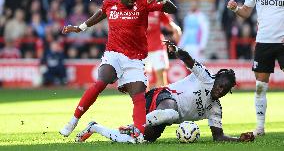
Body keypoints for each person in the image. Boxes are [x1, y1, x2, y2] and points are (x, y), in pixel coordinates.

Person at [59, 0, 177, 141]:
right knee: (101, 81)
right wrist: (80, 28)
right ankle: (73, 120)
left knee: (139, 96)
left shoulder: (143, 0)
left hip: (135, 59)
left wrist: (164, 0)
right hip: (113, 53)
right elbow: (100, 14)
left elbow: (174, 10)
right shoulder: (110, 1)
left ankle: (138, 132)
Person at [74, 41, 255, 143]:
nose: (219, 90)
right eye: (220, 85)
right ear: (216, 80)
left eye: (224, 90)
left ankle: (95, 127)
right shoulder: (206, 77)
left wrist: (239, 140)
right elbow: (189, 59)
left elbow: (218, 136)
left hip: (163, 118)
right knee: (170, 111)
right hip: (161, 96)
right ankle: (135, 125)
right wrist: (176, 50)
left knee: (137, 141)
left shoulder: (215, 109)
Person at [227, 0, 284, 136]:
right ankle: (260, 127)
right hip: (263, 42)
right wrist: (236, 8)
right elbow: (246, 12)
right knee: (260, 87)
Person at [142, 0, 181, 88]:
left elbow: (167, 23)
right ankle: (145, 102)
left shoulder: (158, 7)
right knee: (142, 78)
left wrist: (175, 29)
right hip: (141, 48)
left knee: (161, 76)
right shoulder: (136, 8)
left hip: (157, 46)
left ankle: (161, 100)